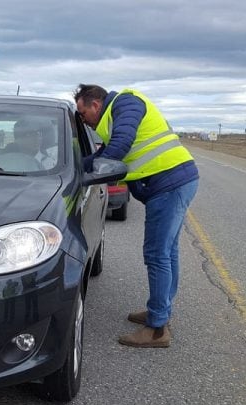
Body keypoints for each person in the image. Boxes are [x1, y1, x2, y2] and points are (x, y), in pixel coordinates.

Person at [74, 84, 199, 348]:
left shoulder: (126, 104)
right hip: (173, 183)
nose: (83, 119)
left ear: (95, 105)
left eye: (83, 113)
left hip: (170, 184)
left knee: (157, 254)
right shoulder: (114, 116)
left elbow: (120, 146)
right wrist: (74, 170)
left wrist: (93, 174)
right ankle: (160, 311)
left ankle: (157, 329)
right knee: (168, 251)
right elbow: (101, 154)